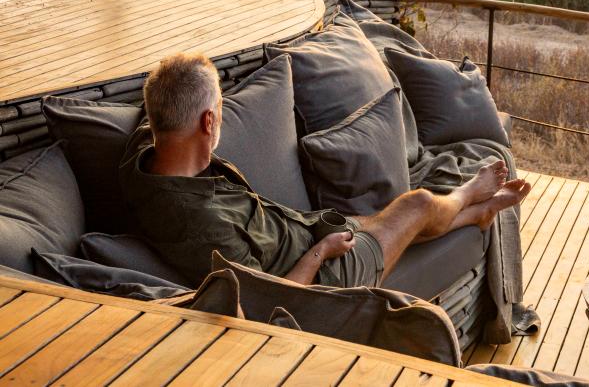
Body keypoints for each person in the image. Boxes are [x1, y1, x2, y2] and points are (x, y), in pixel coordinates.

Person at [119, 52, 530, 289]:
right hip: (326, 275)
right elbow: (268, 302)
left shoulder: (146, 154)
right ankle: (467, 197)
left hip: (304, 228)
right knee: (418, 204)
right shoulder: (203, 227)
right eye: (222, 110)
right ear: (208, 122)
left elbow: (161, 100)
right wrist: (322, 252)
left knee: (389, 218)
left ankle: (475, 214)